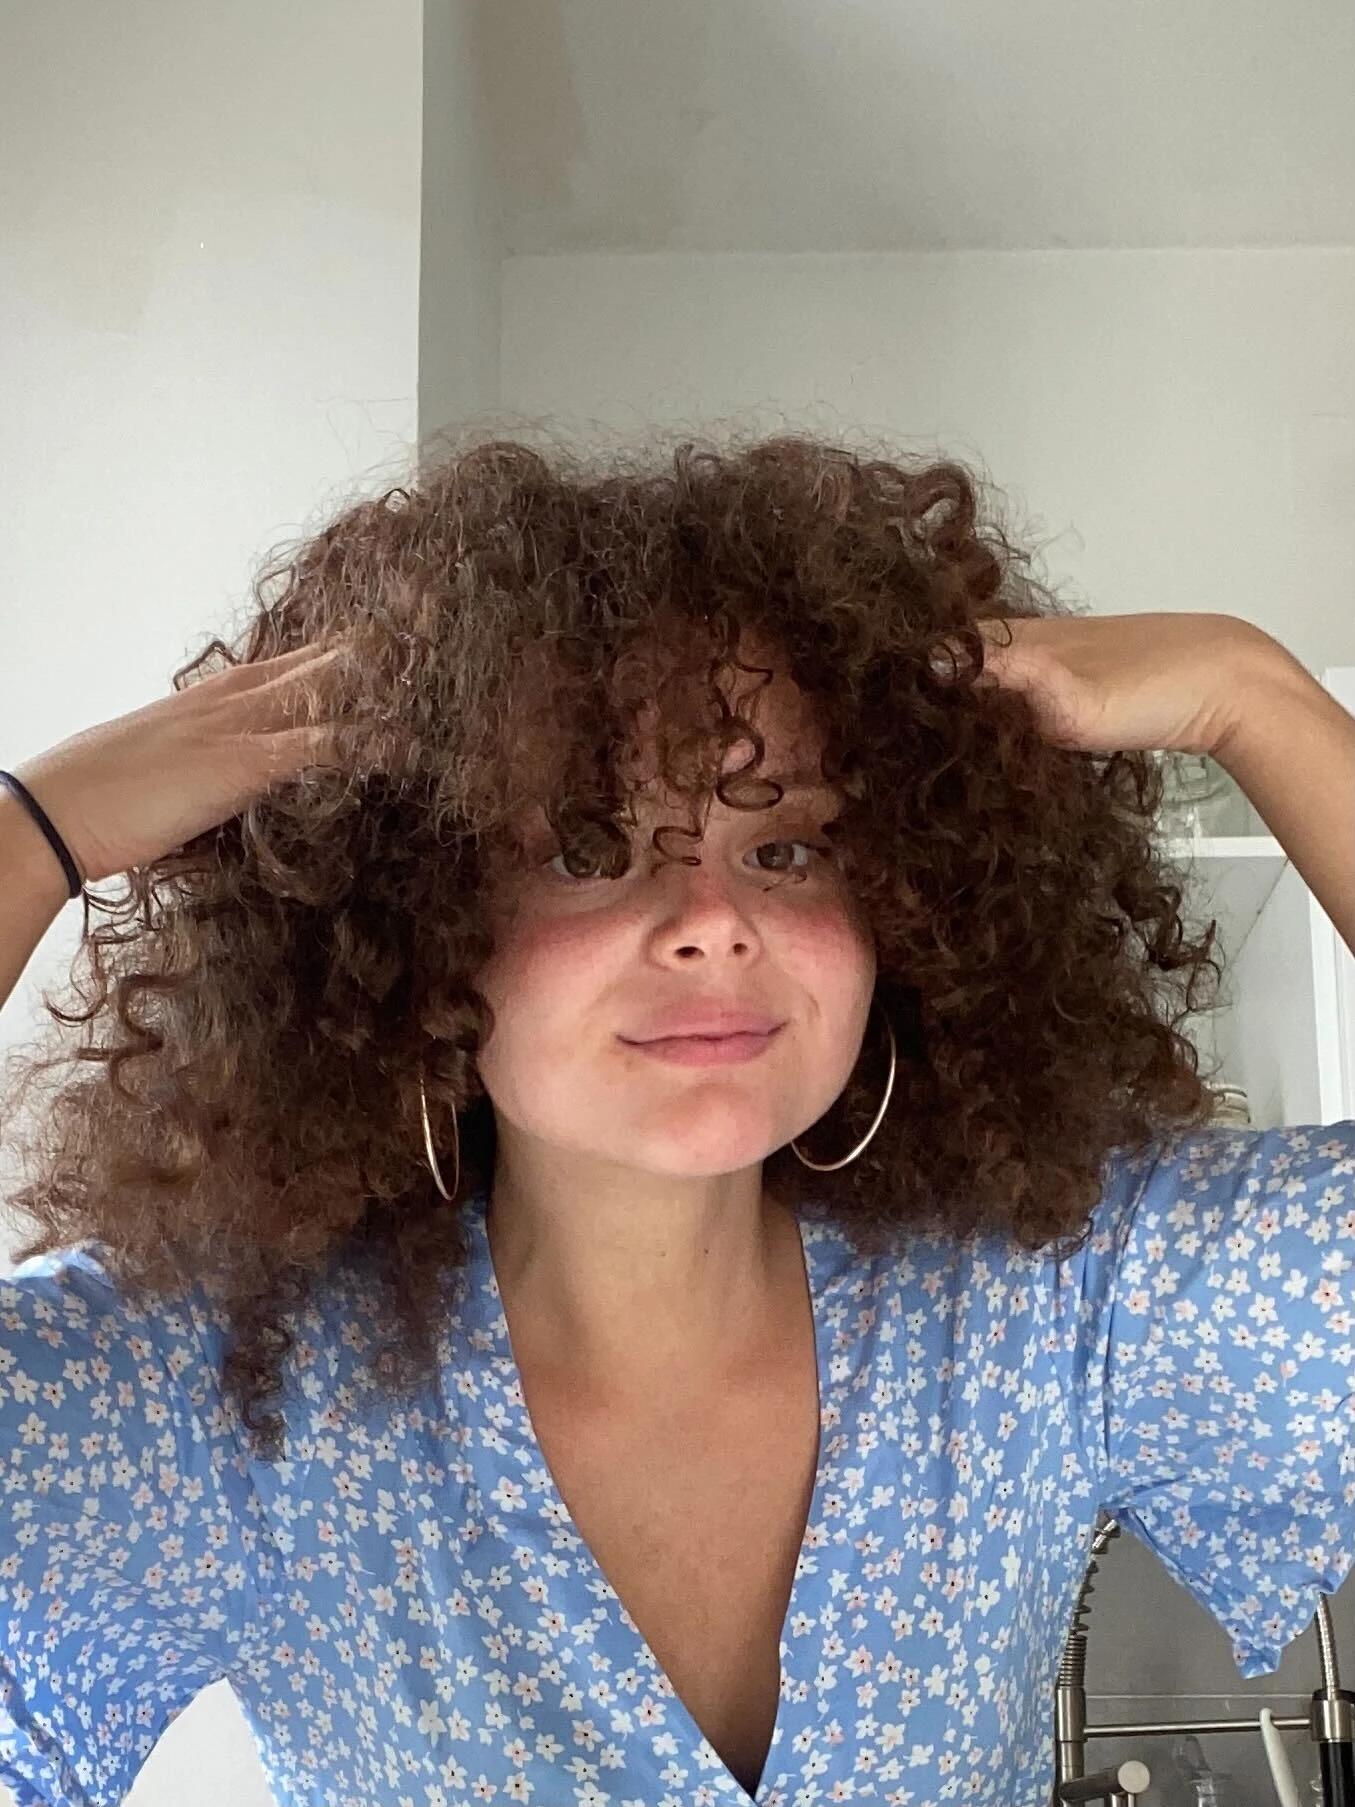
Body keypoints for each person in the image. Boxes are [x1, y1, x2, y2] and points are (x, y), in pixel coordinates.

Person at [0, 428, 1352, 1807]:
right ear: (414, 927)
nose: (713, 921)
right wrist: (37, 832)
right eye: (589, 849)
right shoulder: (226, 1389)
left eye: (785, 846)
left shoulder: (1050, 1294)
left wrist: (1251, 693)